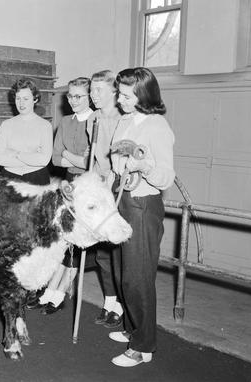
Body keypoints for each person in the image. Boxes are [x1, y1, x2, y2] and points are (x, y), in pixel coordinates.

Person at [108, 67, 175, 367]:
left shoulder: (157, 126)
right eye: (119, 93)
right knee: (123, 273)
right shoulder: (125, 119)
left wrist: (143, 167)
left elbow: (165, 177)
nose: (119, 99)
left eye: (125, 95)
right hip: (122, 200)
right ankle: (133, 327)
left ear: (143, 96)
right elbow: (115, 159)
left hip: (143, 206)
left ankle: (143, 345)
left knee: (138, 277)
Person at [36, 77, 93, 314]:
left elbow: (92, 164)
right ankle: (50, 289)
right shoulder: (66, 122)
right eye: (70, 96)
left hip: (89, 185)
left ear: (90, 96)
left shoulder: (97, 121)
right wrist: (76, 157)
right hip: (70, 183)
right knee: (64, 237)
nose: (73, 100)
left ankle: (60, 292)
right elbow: (55, 158)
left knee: (78, 239)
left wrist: (71, 156)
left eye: (79, 96)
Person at [87, 70, 124, 328]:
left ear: (114, 91)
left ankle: (122, 304)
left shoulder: (124, 119)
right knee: (102, 252)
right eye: (91, 90)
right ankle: (109, 301)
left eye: (98, 90)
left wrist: (111, 176)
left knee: (118, 250)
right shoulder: (93, 119)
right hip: (101, 186)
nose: (93, 95)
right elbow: (96, 158)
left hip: (119, 185)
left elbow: (119, 160)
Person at [0, 77, 53, 186]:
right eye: (18, 98)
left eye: (26, 99)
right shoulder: (6, 125)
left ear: (35, 99)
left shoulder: (45, 126)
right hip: (9, 178)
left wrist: (15, 153)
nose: (21, 103)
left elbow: (44, 160)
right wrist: (33, 158)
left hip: (37, 178)